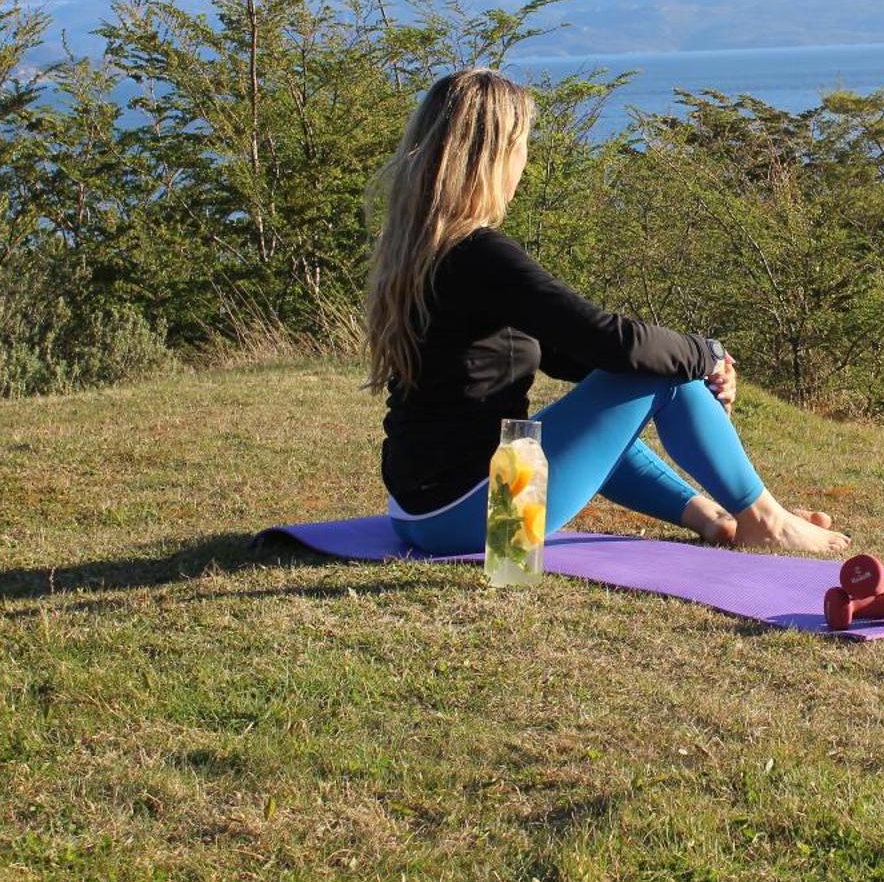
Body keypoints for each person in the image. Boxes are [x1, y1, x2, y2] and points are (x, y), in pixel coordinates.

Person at [362, 67, 852, 558]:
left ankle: (714, 517)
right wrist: (707, 354)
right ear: (494, 157)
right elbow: (614, 342)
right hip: (489, 520)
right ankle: (765, 520)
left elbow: (577, 355)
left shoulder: (425, 251)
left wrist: (690, 362)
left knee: (641, 374)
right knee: (662, 370)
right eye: (521, 146)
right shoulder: (481, 254)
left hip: (418, 517)